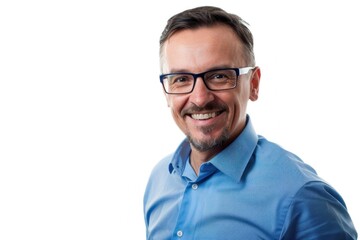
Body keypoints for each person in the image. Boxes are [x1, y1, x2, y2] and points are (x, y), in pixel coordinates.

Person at [143, 6, 358, 240]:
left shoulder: (302, 197)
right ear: (167, 91)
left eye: (219, 76)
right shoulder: (160, 180)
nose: (200, 98)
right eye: (181, 79)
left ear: (253, 84)